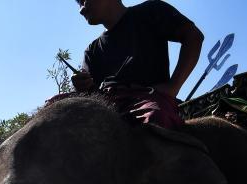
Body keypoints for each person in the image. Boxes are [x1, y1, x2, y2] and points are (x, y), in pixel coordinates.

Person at [71, 0, 204, 128]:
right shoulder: (92, 50)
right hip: (106, 106)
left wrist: (173, 87)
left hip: (149, 99)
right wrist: (81, 86)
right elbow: (90, 93)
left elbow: (193, 36)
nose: (81, 10)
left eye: (83, 0)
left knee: (154, 119)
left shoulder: (150, 11)